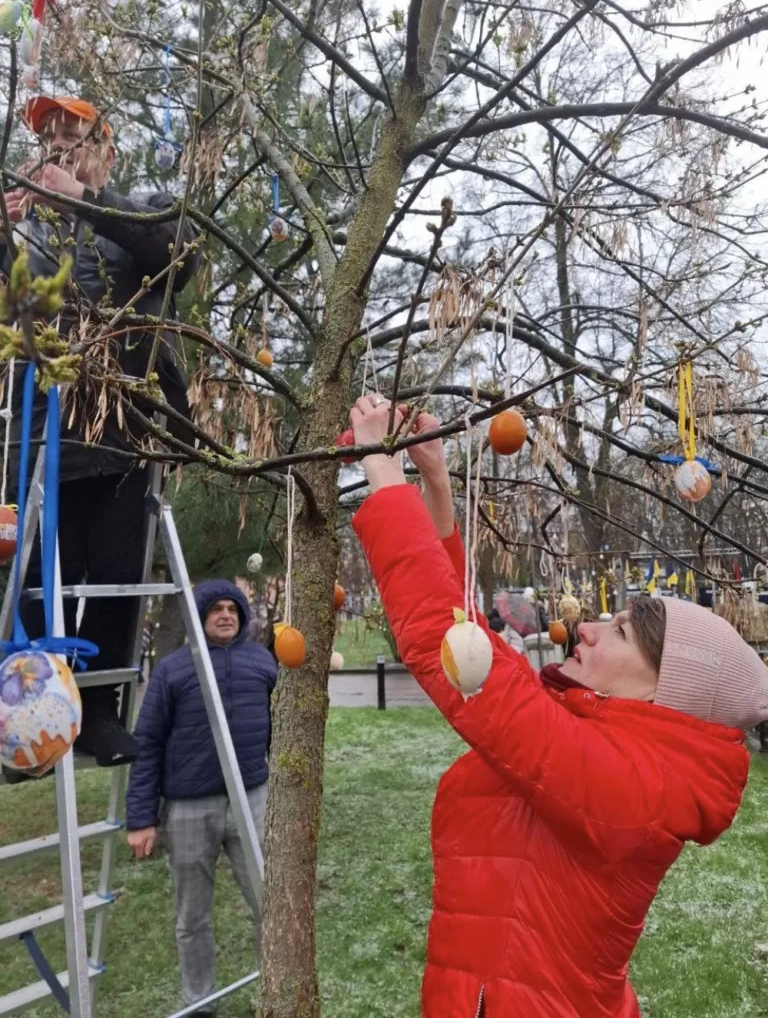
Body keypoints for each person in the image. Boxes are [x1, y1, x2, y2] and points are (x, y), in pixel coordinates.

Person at [348, 394, 768, 1018]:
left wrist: (382, 474)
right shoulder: (603, 742)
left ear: (666, 692)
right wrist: (433, 478)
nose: (590, 629)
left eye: (620, 633)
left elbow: (467, 669)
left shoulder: (637, 793)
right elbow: (478, 651)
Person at [0, 96, 201, 767]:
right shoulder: (26, 230)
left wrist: (84, 198)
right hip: (38, 434)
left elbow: (179, 252)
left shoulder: (132, 207)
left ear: (105, 150)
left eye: (71, 132)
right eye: (45, 135)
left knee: (115, 572)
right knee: (32, 574)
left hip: (121, 429)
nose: (55, 143)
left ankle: (101, 712)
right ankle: (28, 716)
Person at [125, 580, 277, 1017]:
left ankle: (277, 990)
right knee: (192, 918)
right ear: (200, 616)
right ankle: (199, 1003)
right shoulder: (174, 670)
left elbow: (285, 729)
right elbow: (148, 742)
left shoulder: (262, 663)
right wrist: (140, 819)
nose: (226, 614)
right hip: (189, 809)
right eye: (216, 609)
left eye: (232, 608)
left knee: (270, 904)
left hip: (252, 801)